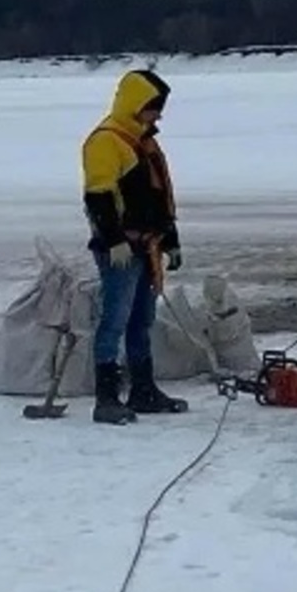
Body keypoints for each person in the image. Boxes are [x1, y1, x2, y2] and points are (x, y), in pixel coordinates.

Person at [81, 67, 189, 425]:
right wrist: (113, 239)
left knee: (141, 320)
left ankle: (143, 390)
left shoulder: (145, 142)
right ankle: (106, 398)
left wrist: (169, 240)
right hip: (120, 251)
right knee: (115, 319)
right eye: (153, 107)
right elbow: (98, 195)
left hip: (148, 245)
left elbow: (159, 197)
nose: (158, 115)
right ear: (134, 105)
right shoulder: (105, 142)